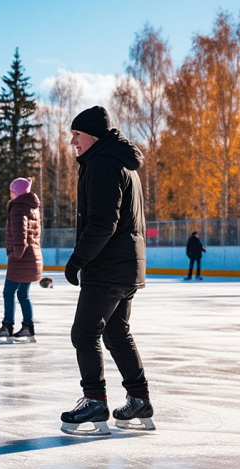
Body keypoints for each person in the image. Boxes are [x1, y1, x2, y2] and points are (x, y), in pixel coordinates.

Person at [61, 106, 154, 436]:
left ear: (93, 136)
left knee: (84, 333)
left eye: (77, 135)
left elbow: (104, 222)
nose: (72, 141)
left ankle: (94, 401)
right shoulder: (121, 163)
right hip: (127, 266)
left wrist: (78, 260)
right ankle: (139, 399)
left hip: (108, 266)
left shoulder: (102, 164)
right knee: (117, 333)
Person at [0, 178, 42, 343]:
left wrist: (15, 255)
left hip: (22, 258)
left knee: (8, 292)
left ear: (17, 192)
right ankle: (28, 326)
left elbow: (20, 234)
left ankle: (8, 326)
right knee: (22, 294)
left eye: (11, 191)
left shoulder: (18, 208)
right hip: (32, 257)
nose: (10, 194)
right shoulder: (31, 207)